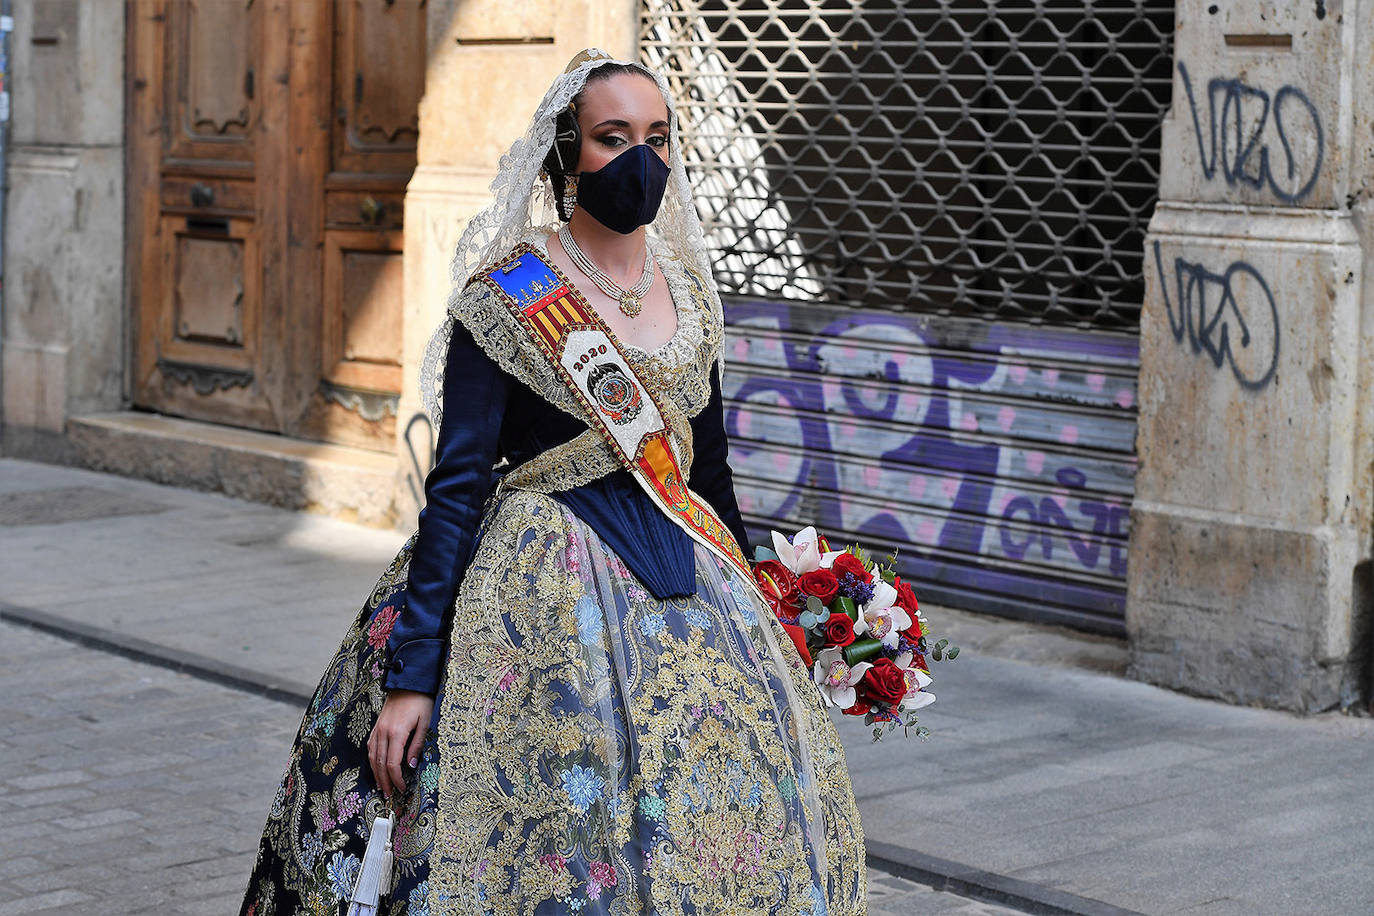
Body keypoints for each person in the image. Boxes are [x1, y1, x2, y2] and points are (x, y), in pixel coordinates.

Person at [239, 48, 867, 916]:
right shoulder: (509, 295)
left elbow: (709, 476)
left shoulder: (689, 295)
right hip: (538, 592)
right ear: (568, 151)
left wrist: (773, 610)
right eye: (615, 139)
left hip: (695, 593)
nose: (641, 161)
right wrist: (414, 677)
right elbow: (455, 490)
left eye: (658, 138)